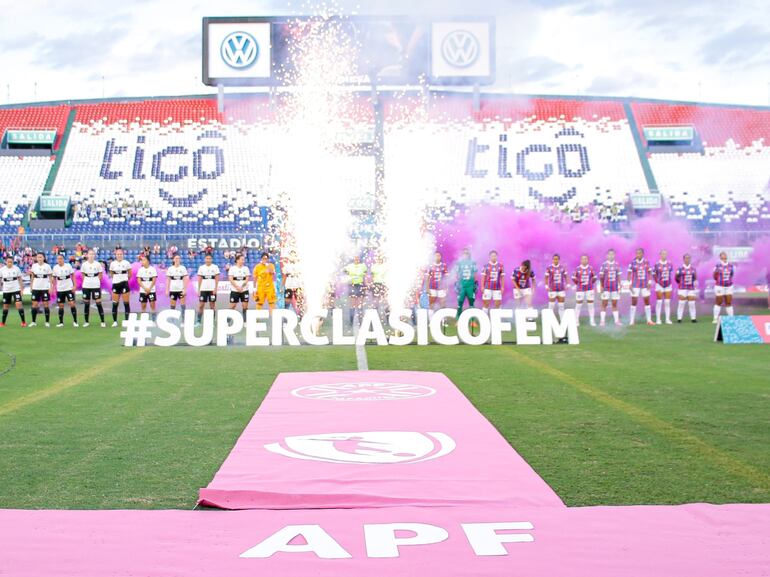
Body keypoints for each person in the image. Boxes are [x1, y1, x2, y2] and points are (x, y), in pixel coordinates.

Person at [628, 248, 653, 326]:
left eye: (639, 253)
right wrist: (629, 283)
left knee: (647, 301)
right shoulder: (632, 263)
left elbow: (650, 272)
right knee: (634, 302)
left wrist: (649, 282)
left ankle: (649, 320)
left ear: (642, 254)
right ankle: (632, 321)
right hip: (635, 285)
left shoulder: (646, 262)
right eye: (637, 253)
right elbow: (629, 274)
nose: (638, 254)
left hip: (645, 285)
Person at [80, 249, 106, 327]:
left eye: (93, 254)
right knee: (86, 303)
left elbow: (100, 275)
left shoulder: (97, 264)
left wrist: (96, 281)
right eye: (90, 254)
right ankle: (86, 321)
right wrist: (87, 281)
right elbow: (83, 274)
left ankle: (102, 321)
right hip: (86, 286)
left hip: (95, 285)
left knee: (98, 303)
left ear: (94, 255)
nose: (91, 255)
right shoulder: (84, 264)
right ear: (87, 255)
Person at [52, 253, 78, 327]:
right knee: (61, 305)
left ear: (63, 259)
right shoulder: (55, 268)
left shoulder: (68, 266)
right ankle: (61, 322)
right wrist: (54, 288)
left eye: (61, 258)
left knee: (72, 303)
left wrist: (74, 285)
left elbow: (73, 276)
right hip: (60, 289)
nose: (59, 260)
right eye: (58, 259)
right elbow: (54, 278)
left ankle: (75, 321)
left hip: (68, 288)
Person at [109, 247, 132, 327]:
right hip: (115, 284)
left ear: (123, 255)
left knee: (126, 303)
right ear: (115, 255)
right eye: (118, 254)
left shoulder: (126, 263)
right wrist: (116, 278)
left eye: (120, 254)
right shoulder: (112, 264)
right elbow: (111, 273)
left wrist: (124, 279)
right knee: (115, 303)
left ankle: (127, 321)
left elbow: (130, 274)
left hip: (124, 284)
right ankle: (115, 321)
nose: (119, 255)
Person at [599, 249, 623, 326]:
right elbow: (601, 277)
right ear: (607, 256)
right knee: (604, 304)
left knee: (614, 304)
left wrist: (620, 284)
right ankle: (602, 321)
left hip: (614, 288)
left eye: (612, 254)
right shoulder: (604, 265)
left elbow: (619, 276)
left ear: (614, 255)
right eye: (609, 254)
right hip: (606, 287)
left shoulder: (617, 265)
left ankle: (616, 321)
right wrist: (601, 286)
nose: (611, 256)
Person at [0, 255, 26, 327]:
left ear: (13, 262)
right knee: (5, 306)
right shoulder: (2, 270)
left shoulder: (16, 269)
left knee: (18, 304)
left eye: (11, 262)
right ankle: (2, 323)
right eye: (8, 262)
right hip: (6, 290)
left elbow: (20, 279)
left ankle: (23, 322)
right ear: (6, 262)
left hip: (16, 289)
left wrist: (21, 289)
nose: (9, 263)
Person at [29, 252, 53, 327]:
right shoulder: (34, 266)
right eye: (38, 257)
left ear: (44, 258)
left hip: (45, 288)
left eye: (41, 257)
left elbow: (50, 277)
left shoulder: (47, 266)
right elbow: (32, 277)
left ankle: (47, 322)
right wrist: (31, 286)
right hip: (36, 287)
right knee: (34, 304)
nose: (39, 258)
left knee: (46, 304)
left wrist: (51, 287)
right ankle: (33, 322)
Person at [572, 254, 597, 326]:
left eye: (585, 259)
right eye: (583, 259)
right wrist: (578, 284)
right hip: (580, 289)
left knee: (591, 305)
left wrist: (590, 283)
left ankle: (592, 321)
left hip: (589, 289)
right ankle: (576, 321)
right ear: (581, 260)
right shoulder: (577, 269)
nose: (584, 260)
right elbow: (573, 278)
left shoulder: (591, 268)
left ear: (588, 260)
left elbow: (595, 277)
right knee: (578, 304)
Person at [454, 248, 477, 319]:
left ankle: (472, 319)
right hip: (462, 286)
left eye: (467, 253)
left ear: (469, 254)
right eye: (464, 253)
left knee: (471, 302)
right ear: (462, 254)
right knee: (460, 302)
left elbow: (475, 273)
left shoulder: (473, 262)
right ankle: (458, 317)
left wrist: (474, 284)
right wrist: (457, 284)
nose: (466, 254)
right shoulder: (459, 263)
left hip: (470, 285)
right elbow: (457, 274)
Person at [196, 253, 220, 323]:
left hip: (212, 290)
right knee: (201, 305)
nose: (208, 260)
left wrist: (215, 288)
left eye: (209, 259)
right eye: (207, 258)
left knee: (212, 306)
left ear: (212, 259)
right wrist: (199, 289)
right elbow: (199, 279)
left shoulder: (215, 267)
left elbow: (217, 279)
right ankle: (198, 321)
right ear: (205, 259)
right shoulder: (201, 267)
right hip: (203, 289)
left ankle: (212, 321)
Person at [713, 251, 735, 323]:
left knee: (728, 302)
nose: (724, 259)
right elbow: (714, 276)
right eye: (723, 257)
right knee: (719, 301)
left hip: (729, 286)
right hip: (719, 286)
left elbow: (731, 275)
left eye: (725, 257)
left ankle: (731, 318)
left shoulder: (731, 266)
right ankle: (715, 318)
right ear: (720, 258)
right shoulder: (717, 266)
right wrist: (719, 281)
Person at [653, 250, 674, 325]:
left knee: (667, 302)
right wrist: (657, 282)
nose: (664, 255)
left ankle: (667, 319)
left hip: (668, 285)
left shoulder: (670, 264)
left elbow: (671, 274)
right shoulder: (657, 264)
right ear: (660, 255)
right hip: (659, 285)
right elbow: (654, 274)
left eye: (665, 254)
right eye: (662, 254)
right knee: (659, 302)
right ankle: (658, 319)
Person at [675, 253, 698, 323]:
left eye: (688, 258)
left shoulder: (693, 269)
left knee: (692, 303)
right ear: (683, 259)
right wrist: (681, 283)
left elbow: (695, 278)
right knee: (681, 303)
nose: (687, 259)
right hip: (682, 288)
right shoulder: (679, 269)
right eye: (686, 258)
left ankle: (693, 318)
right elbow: (676, 278)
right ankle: (679, 318)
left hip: (691, 288)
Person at [344, 255, 367, 324]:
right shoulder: (350, 266)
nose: (357, 259)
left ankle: (361, 320)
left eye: (358, 258)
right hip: (352, 285)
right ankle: (351, 320)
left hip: (360, 285)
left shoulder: (363, 266)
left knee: (360, 304)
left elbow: (365, 274)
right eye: (355, 258)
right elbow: (344, 270)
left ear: (359, 259)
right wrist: (348, 276)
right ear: (353, 259)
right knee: (353, 304)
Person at [544, 253, 567, 318]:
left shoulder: (562, 267)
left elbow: (566, 276)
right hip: (552, 289)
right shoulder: (549, 268)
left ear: (559, 260)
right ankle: (549, 320)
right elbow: (546, 277)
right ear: (552, 260)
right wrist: (546, 286)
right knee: (551, 306)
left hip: (561, 289)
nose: (555, 260)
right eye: (554, 259)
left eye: (556, 259)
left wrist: (567, 284)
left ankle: (562, 321)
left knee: (561, 306)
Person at [282, 250, 304, 317]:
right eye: (291, 255)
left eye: (294, 255)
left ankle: (301, 316)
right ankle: (285, 317)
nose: (292, 257)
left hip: (297, 284)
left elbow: (302, 275)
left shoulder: (300, 265)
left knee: (299, 300)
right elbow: (284, 276)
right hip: (289, 284)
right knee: (287, 301)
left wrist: (302, 285)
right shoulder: (286, 266)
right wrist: (282, 286)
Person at [426, 251, 448, 315]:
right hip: (432, 288)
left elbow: (446, 278)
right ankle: (431, 319)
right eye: (436, 256)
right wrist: (427, 288)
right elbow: (427, 278)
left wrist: (446, 287)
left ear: (440, 257)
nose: (437, 257)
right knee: (431, 304)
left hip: (441, 288)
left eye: (438, 256)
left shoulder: (444, 266)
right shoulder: (430, 266)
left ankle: (443, 320)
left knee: (443, 304)